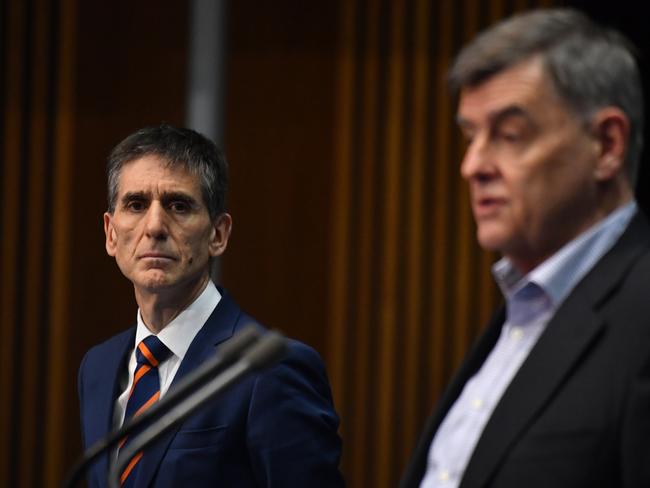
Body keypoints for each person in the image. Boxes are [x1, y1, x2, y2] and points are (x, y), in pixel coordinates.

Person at [401, 8, 650, 488]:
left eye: (509, 135)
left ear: (607, 144)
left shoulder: (641, 306)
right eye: (470, 137)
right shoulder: (520, 312)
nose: (472, 165)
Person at [78, 124, 344, 487]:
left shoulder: (270, 370)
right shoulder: (98, 367)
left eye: (178, 205)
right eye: (136, 204)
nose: (154, 226)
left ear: (218, 234)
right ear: (111, 233)